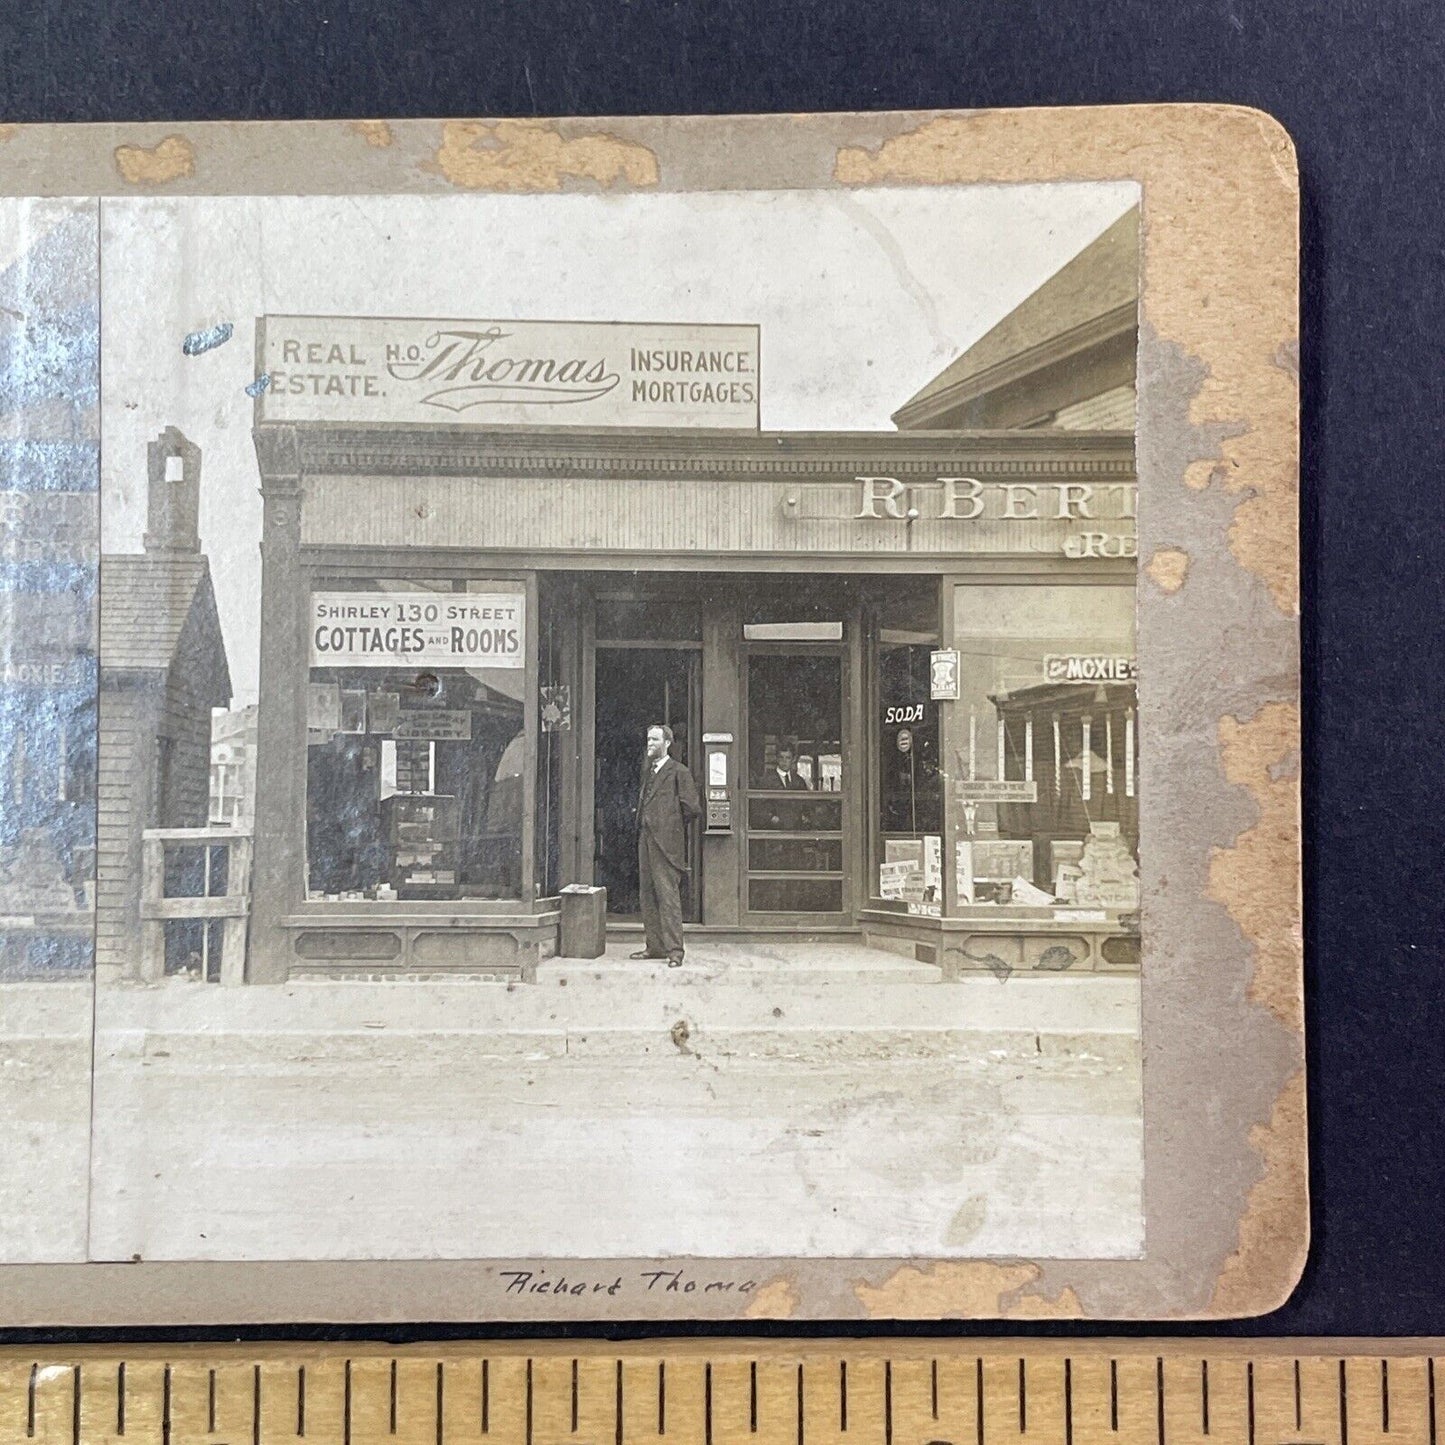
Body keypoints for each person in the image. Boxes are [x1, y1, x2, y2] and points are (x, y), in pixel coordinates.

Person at [633, 723, 700, 967]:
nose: (649, 744)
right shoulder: (648, 770)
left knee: (668, 897)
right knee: (647, 894)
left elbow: (691, 807)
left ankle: (675, 952)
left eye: (654, 740)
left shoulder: (678, 771)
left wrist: (669, 826)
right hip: (646, 839)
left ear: (667, 743)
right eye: (648, 740)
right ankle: (655, 947)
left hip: (666, 844)